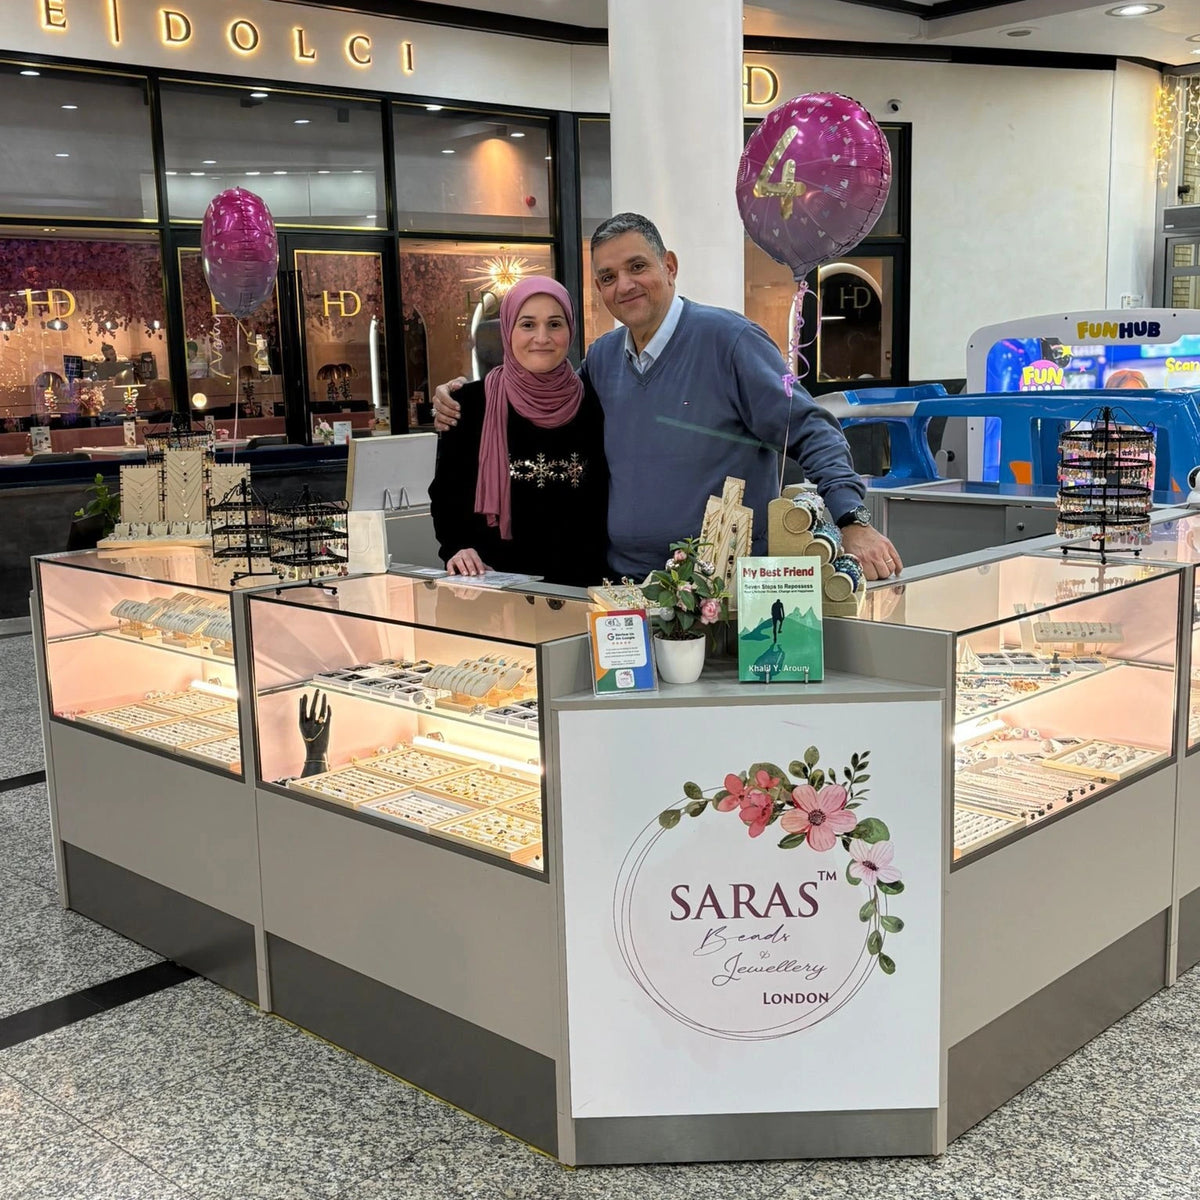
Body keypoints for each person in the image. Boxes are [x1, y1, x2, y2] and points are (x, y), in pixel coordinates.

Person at [435, 214, 902, 581]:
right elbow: (544, 394)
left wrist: (852, 519)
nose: (625, 285)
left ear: (670, 266)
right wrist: (469, 394)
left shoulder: (731, 342)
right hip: (621, 587)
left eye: (637, 266)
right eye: (608, 276)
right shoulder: (602, 360)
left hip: (718, 588)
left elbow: (811, 428)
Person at [429, 276, 608, 588]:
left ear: (570, 330)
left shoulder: (595, 402)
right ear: (507, 330)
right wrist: (457, 548)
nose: (542, 337)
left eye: (555, 324)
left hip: (581, 587)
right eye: (527, 324)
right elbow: (446, 495)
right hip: (495, 588)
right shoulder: (468, 404)